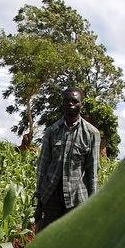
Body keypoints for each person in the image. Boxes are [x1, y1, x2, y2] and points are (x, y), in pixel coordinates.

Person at [34, 86, 101, 231]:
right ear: (62, 104)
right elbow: (43, 166)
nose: (70, 104)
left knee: (70, 241)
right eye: (66, 101)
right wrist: (39, 203)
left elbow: (92, 173)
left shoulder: (91, 133)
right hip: (50, 196)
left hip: (76, 199)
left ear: (81, 104)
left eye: (74, 101)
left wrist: (93, 206)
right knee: (46, 239)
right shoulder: (52, 131)